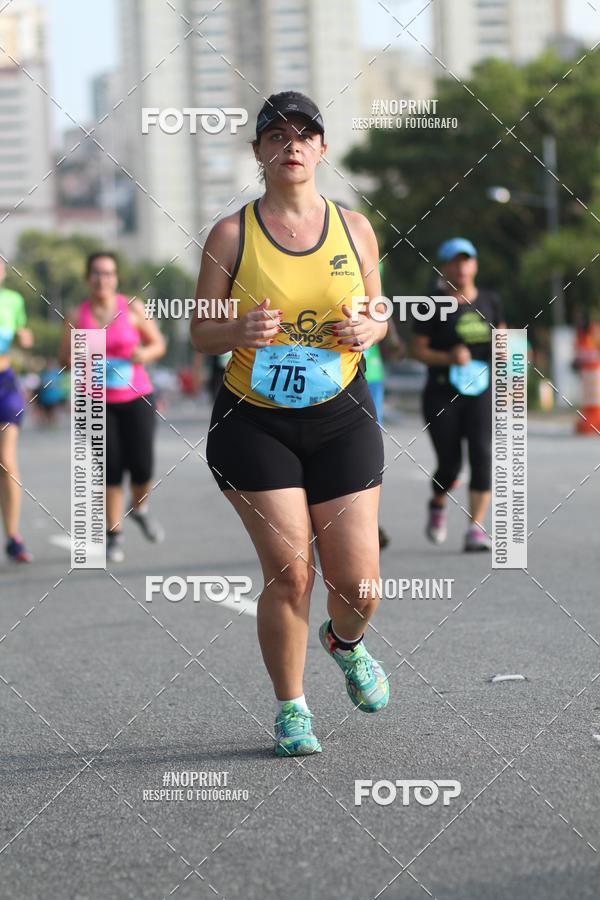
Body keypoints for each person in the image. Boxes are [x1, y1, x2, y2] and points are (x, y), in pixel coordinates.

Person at [191, 91, 390, 757]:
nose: (292, 145)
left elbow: (379, 310)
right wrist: (237, 329)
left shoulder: (355, 228)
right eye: (277, 135)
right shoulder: (231, 234)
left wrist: (370, 325)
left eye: (306, 134)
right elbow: (198, 333)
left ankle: (346, 640)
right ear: (258, 152)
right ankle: (292, 707)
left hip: (341, 416)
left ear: (323, 149)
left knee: (358, 585)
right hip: (256, 423)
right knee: (291, 572)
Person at [59, 252, 166, 563]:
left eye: (108, 273)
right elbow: (63, 359)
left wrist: (143, 355)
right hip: (96, 400)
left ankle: (141, 508)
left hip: (137, 396)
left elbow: (158, 344)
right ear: (87, 278)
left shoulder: (132, 308)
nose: (102, 279)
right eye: (96, 273)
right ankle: (113, 535)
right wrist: (80, 357)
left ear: (115, 278)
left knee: (143, 466)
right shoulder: (77, 316)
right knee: (111, 468)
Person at [411, 238, 506, 551]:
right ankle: (438, 503)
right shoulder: (431, 303)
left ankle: (475, 528)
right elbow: (418, 350)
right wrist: (449, 358)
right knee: (449, 464)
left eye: (467, 260)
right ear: (444, 267)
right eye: (454, 261)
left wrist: (509, 353)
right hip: (442, 392)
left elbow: (503, 339)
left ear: (475, 265)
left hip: (480, 390)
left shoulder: (491, 300)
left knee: (482, 456)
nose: (461, 267)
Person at [0, 257, 34, 562]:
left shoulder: (12, 300)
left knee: (6, 462)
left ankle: (13, 537)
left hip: (5, 384)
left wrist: (25, 338)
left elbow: (23, 333)